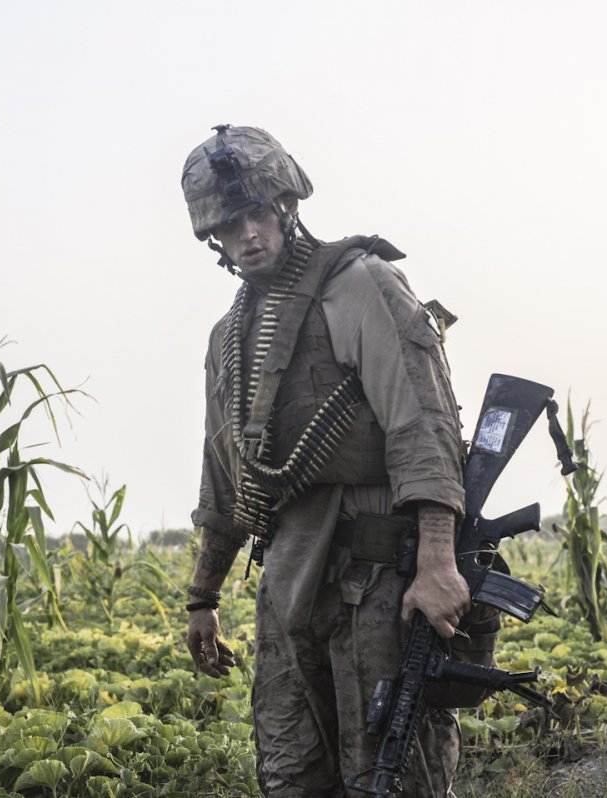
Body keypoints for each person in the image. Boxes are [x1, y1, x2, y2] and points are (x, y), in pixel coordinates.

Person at [181, 125, 490, 797]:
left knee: (389, 771)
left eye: (259, 213)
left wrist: (437, 560)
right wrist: (203, 595)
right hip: (290, 582)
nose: (249, 234)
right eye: (231, 226)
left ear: (288, 207)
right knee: (292, 771)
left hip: (377, 578)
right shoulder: (227, 337)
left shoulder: (362, 285)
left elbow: (421, 421)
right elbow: (224, 469)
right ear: (214, 239)